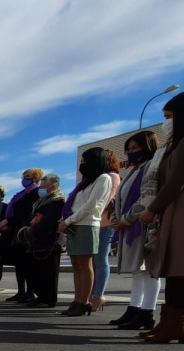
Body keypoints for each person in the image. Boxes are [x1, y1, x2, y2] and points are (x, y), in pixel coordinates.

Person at [137, 90, 184, 344]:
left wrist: (152, 209)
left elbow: (176, 183)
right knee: (172, 269)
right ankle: (167, 323)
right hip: (174, 210)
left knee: (183, 270)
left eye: (169, 116)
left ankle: (179, 325)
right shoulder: (180, 142)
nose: (165, 121)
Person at [108, 131, 163, 330]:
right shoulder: (134, 170)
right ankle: (134, 308)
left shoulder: (151, 167)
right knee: (137, 272)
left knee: (148, 270)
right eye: (128, 149)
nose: (130, 153)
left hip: (142, 224)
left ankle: (147, 312)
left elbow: (146, 197)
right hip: (128, 224)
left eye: (135, 149)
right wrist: (116, 217)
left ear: (147, 147)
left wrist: (126, 218)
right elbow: (120, 198)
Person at [57, 148, 113, 315]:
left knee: (85, 264)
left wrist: (68, 220)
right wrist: (67, 221)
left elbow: (91, 205)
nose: (82, 164)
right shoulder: (86, 181)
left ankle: (84, 301)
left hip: (87, 224)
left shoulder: (104, 178)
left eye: (84, 161)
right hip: (75, 224)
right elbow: (75, 203)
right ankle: (77, 300)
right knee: (76, 265)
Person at [0, 168, 44, 302]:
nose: (24, 178)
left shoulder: (35, 192)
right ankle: (21, 291)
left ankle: (30, 292)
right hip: (16, 230)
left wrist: (9, 220)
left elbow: (26, 212)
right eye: (23, 176)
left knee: (27, 263)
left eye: (28, 176)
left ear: (36, 178)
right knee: (20, 263)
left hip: (26, 230)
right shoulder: (20, 194)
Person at [25, 174, 66, 308]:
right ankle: (40, 296)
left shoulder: (57, 201)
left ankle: (48, 299)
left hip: (49, 242)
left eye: (43, 187)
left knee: (48, 273)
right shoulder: (41, 202)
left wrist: (34, 232)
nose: (40, 189)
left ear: (53, 186)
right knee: (37, 272)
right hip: (37, 241)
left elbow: (49, 222)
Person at [89, 152, 122, 311]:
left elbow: (107, 200)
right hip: (95, 224)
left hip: (105, 223)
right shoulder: (98, 178)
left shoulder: (112, 176)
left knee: (101, 261)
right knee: (94, 262)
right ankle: (92, 293)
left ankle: (98, 295)